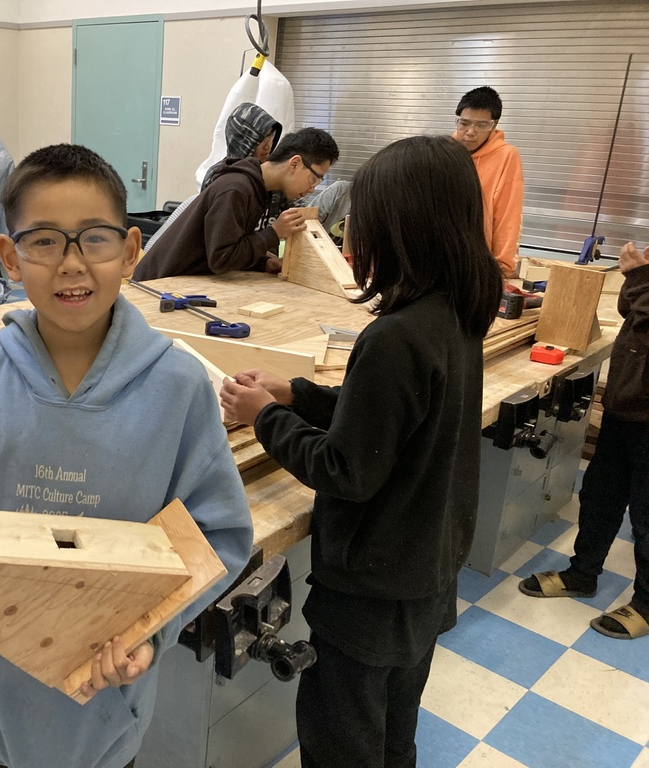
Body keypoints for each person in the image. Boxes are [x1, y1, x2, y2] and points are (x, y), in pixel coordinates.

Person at [0, 144, 254, 768]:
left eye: (95, 239)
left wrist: (151, 630)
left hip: (110, 709)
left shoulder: (179, 389)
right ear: (9, 256)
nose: (71, 264)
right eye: (45, 241)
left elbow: (215, 535)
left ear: (132, 250)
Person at [220, 135, 502, 768]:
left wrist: (263, 416)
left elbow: (345, 469)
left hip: (371, 593)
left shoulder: (395, 336)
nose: (354, 233)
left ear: (400, 228)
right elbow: (389, 417)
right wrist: (297, 393)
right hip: (426, 573)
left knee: (342, 741)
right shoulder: (454, 312)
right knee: (394, 733)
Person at [519, 240, 649, 640]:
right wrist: (638, 279)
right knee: (600, 495)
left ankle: (646, 604)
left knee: (646, 515)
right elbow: (634, 314)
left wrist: (640, 276)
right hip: (626, 406)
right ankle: (583, 574)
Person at [132, 127, 339, 281]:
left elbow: (231, 244)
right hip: (158, 287)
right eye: (314, 179)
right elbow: (221, 258)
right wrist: (274, 233)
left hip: (183, 282)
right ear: (294, 163)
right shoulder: (237, 189)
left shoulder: (258, 188)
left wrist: (263, 262)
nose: (313, 189)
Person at [452, 85, 525, 278]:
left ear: (494, 125)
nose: (470, 132)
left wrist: (502, 266)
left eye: (481, 125)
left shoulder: (506, 156)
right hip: (442, 255)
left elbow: (508, 214)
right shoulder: (444, 150)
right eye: (464, 123)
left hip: (478, 261)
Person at [200, 101, 282, 191]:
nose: (268, 146)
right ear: (242, 143)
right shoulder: (217, 175)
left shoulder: (272, 175)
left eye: (271, 137)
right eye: (261, 141)